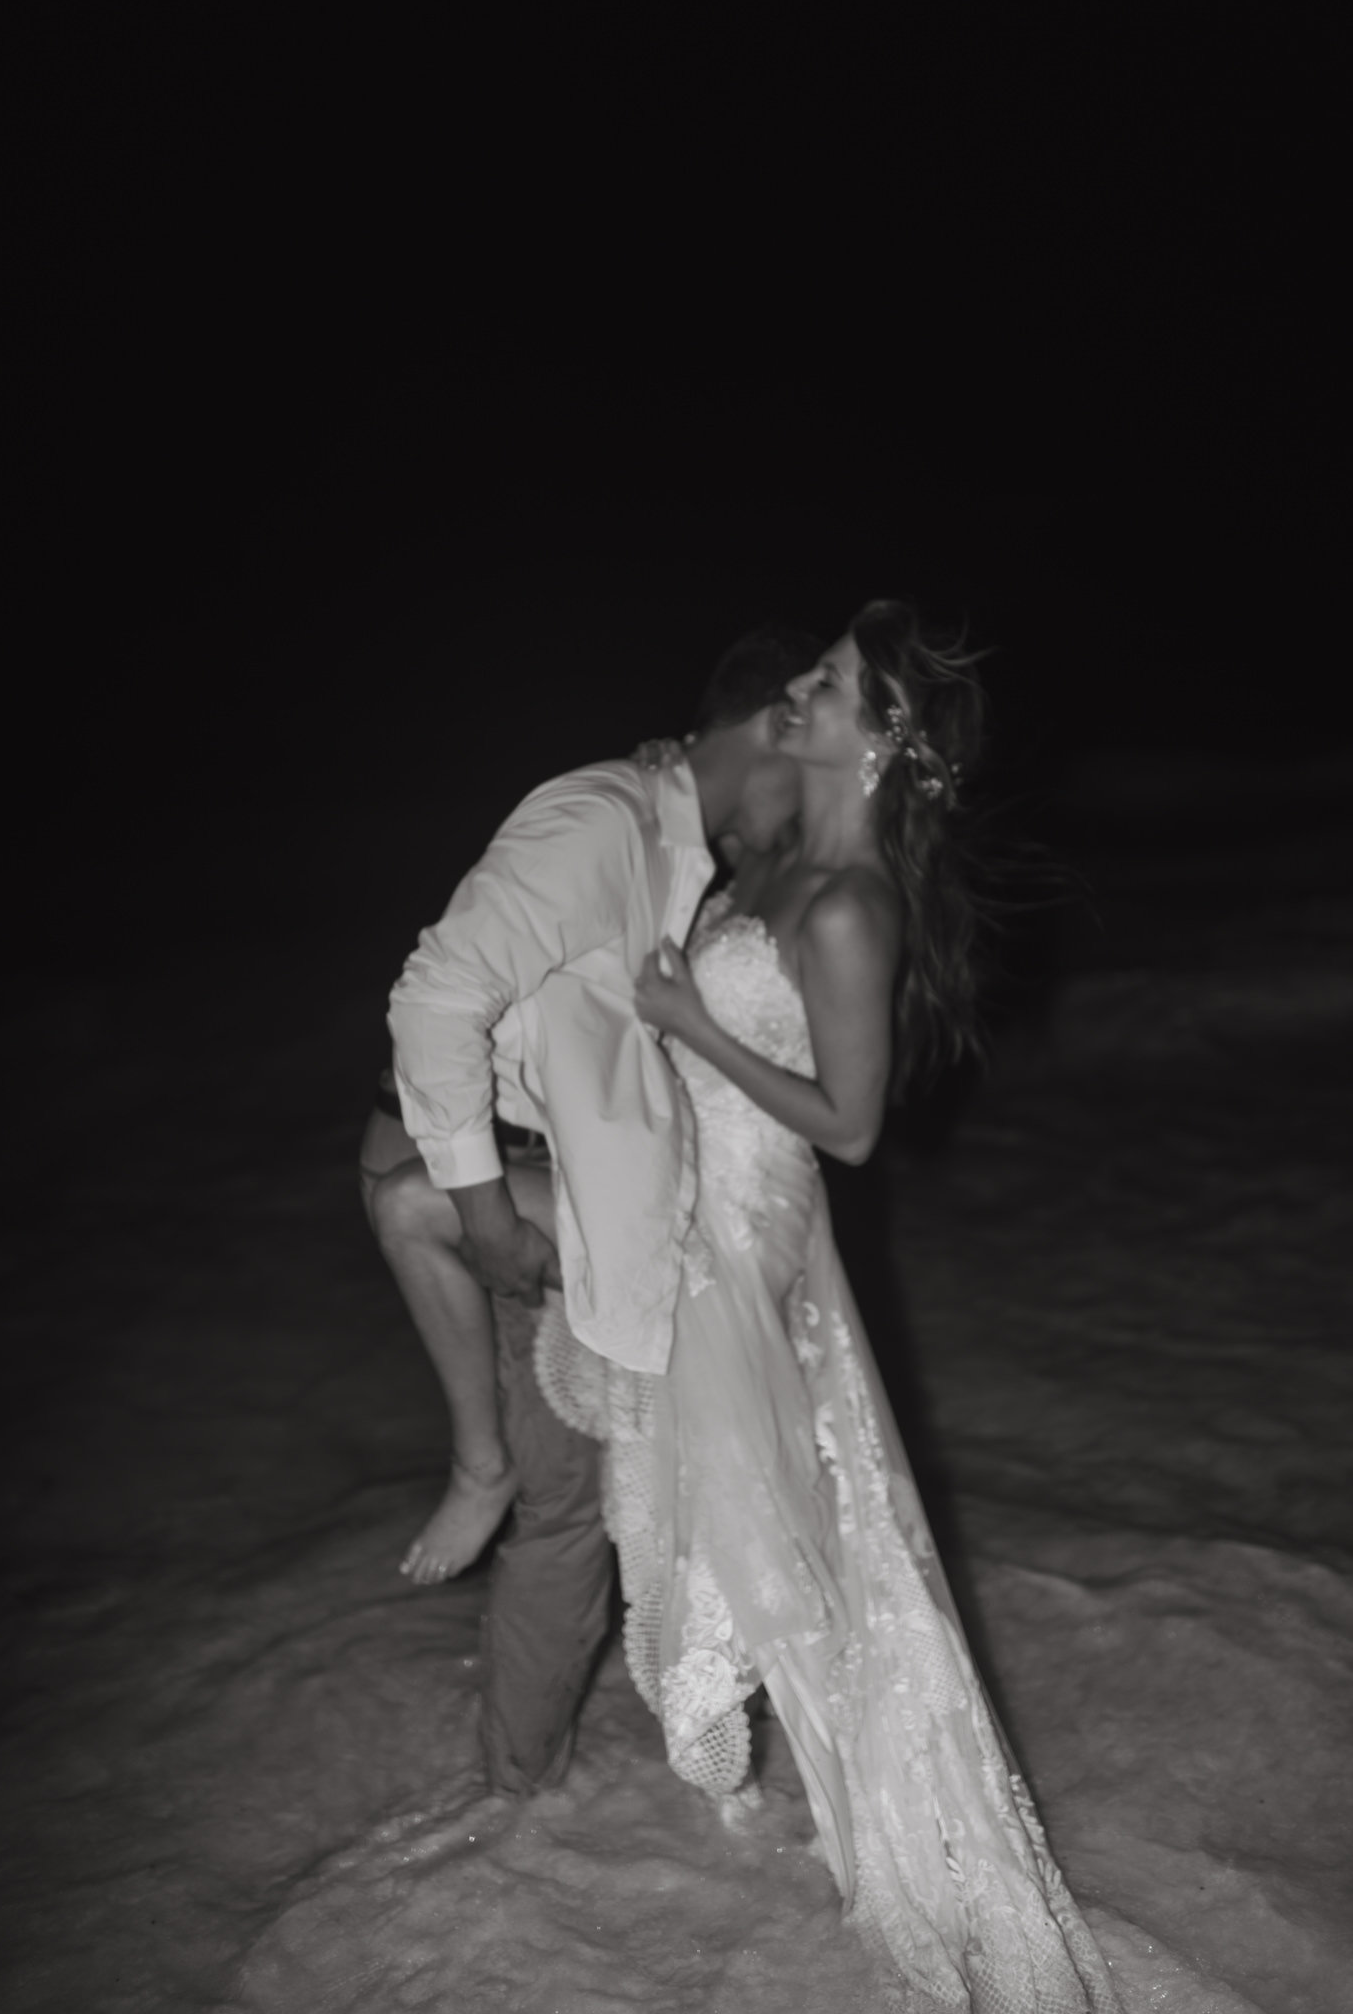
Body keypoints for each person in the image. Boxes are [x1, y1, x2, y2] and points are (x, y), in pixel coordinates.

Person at [535, 601, 1122, 2006]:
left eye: (831, 682)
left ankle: (775, 1851)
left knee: (746, 1544)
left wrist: (689, 1026)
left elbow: (850, 1127)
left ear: (877, 741)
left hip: (746, 1230)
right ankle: (736, 1831)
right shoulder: (783, 859)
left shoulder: (851, 903)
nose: (800, 686)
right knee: (702, 1522)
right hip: (684, 1216)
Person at [361, 623, 824, 1794]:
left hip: (542, 1170)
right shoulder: (600, 819)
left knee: (582, 1500)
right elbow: (432, 1000)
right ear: (771, 725)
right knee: (565, 1508)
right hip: (489, 1166)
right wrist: (486, 1219)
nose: (808, 810)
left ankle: (530, 1796)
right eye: (807, 772)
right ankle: (515, 1811)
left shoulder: (669, 838)